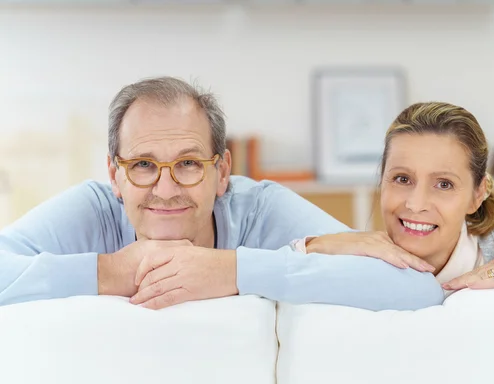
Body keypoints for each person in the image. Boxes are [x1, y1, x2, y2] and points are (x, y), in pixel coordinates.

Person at [0, 77, 444, 311]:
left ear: (223, 171)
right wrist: (111, 271)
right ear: (114, 176)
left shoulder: (262, 209)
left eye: (189, 163)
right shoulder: (93, 211)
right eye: (142, 166)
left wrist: (231, 270)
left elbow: (416, 290)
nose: (166, 188)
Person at [297, 102, 494, 297]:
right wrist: (314, 246)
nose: (416, 204)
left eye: (443, 184)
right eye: (402, 179)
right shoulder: (355, 257)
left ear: (477, 194)